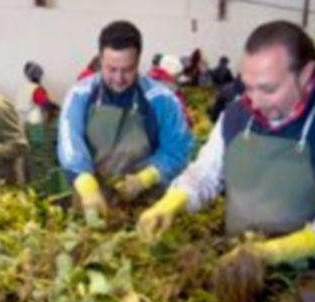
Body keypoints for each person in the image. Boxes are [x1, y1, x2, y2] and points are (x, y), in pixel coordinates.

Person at [138, 21, 315, 283]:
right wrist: (170, 203)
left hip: (308, 286)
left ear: (307, 74)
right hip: (235, 273)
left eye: (268, 89)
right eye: (248, 87)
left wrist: (276, 251)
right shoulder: (236, 116)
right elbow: (205, 173)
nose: (254, 101)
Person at [58, 20, 192, 222]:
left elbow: (177, 150)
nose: (119, 78)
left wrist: (145, 178)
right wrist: (86, 184)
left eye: (127, 69)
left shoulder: (162, 100)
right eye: (111, 69)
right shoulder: (80, 95)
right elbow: (69, 140)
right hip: (92, 206)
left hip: (146, 209)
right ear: (100, 60)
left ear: (138, 62)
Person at [147, 54, 193, 127]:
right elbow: (179, 115)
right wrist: (188, 120)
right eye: (178, 75)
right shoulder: (171, 89)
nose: (178, 79)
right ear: (172, 74)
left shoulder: (149, 82)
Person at [16, 61, 60, 127]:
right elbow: (46, 104)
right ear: (38, 76)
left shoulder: (23, 88)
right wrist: (58, 108)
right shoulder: (36, 89)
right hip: (34, 124)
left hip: (22, 123)